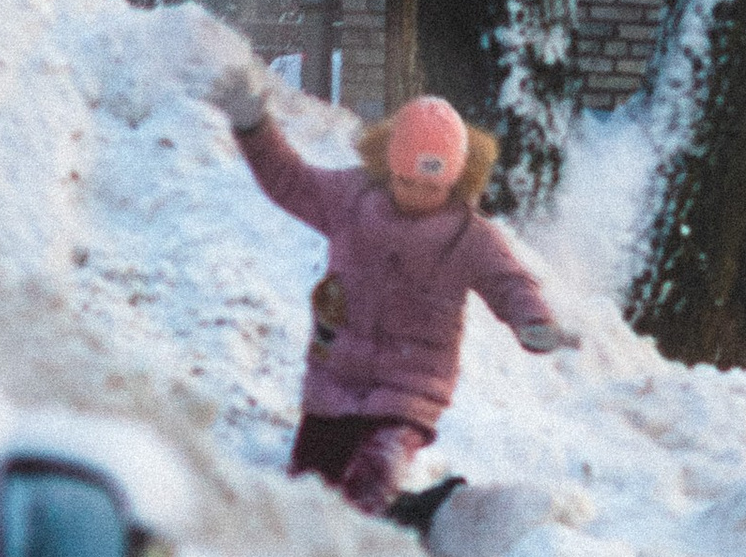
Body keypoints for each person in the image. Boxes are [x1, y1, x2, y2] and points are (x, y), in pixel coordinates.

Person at [208, 50, 577, 521]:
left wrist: (534, 323)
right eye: (406, 182)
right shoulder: (351, 199)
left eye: (433, 186)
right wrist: (253, 127)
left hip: (408, 393)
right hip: (334, 382)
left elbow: (510, 284)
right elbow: (290, 181)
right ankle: (411, 519)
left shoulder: (470, 236)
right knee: (305, 500)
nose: (418, 195)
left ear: (455, 179)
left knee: (369, 487)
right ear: (389, 165)